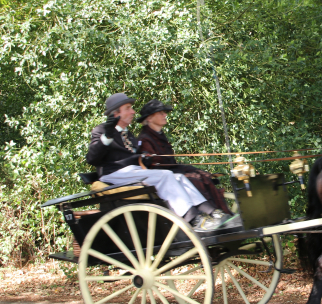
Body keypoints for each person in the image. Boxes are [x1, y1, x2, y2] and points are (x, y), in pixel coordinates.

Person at [85, 92, 229, 233]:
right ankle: (193, 219)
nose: (133, 111)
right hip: (113, 174)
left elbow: (133, 156)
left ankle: (211, 211)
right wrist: (107, 136)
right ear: (116, 114)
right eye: (128, 108)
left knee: (178, 177)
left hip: (133, 172)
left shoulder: (127, 134)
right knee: (165, 175)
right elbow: (92, 158)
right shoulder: (101, 130)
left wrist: (144, 156)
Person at [136, 99, 233, 216]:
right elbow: (155, 167)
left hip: (173, 171)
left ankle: (218, 212)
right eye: (161, 113)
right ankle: (206, 215)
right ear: (150, 118)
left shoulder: (159, 134)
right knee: (194, 179)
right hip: (163, 178)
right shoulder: (145, 139)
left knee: (204, 175)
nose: (165, 115)